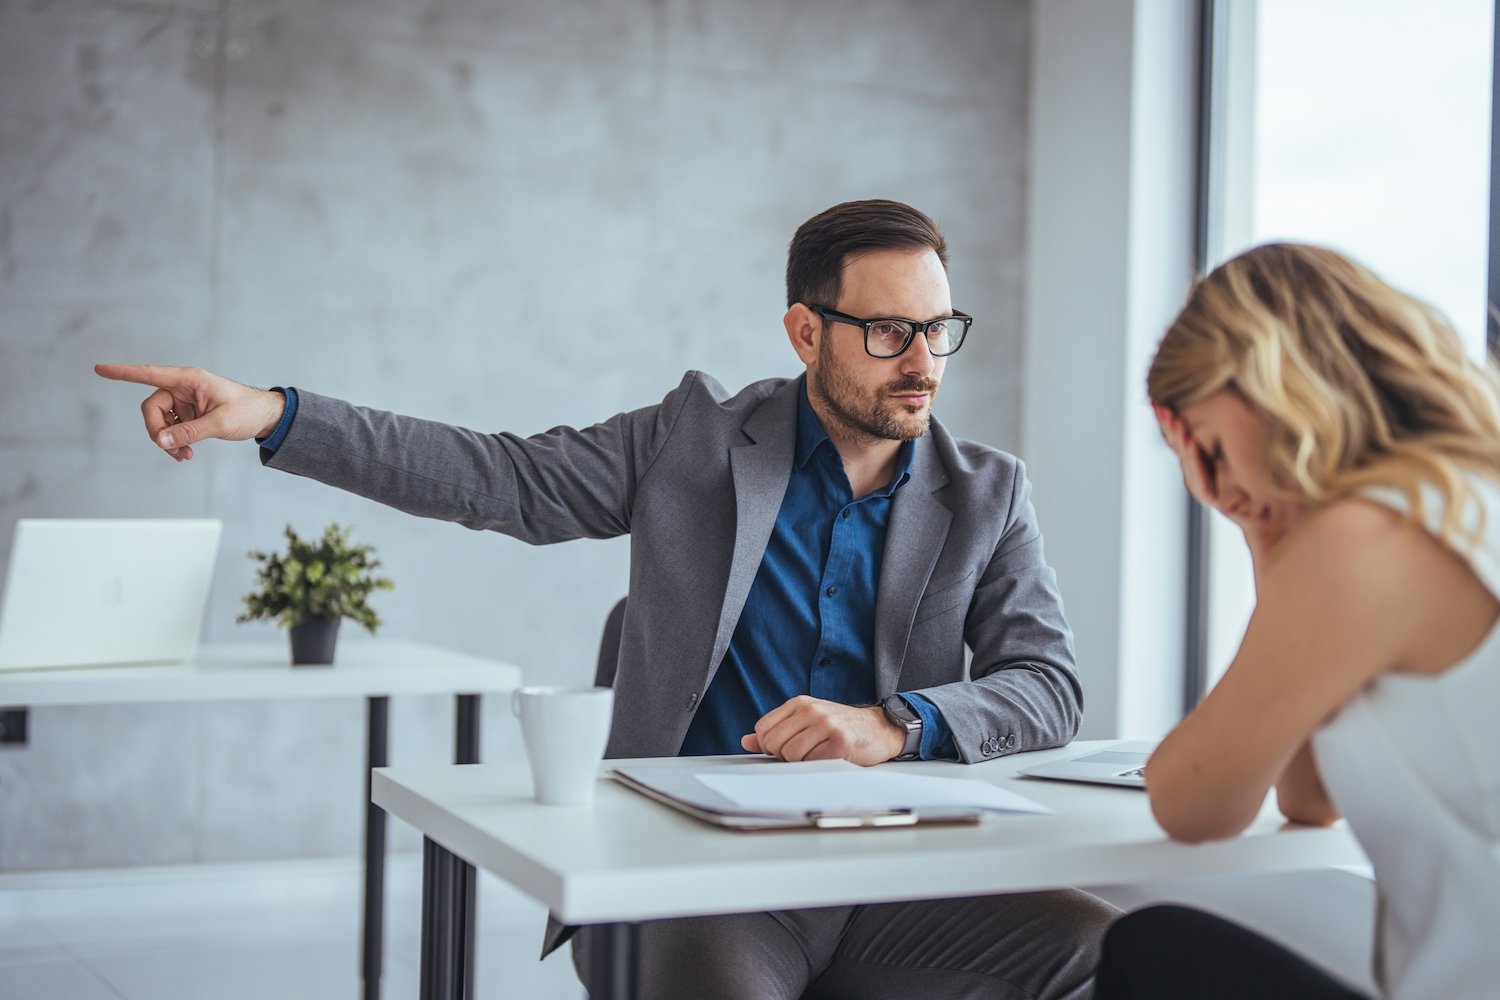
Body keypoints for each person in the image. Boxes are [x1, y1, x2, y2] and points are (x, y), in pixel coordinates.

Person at [97, 199, 1117, 999]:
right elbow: (494, 474)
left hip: (896, 875)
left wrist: (896, 727)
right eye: (891, 332)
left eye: (940, 329)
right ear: (807, 331)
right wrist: (276, 414)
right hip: (706, 881)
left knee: (1106, 953)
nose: (924, 364)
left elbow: (1049, 686)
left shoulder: (988, 491)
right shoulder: (693, 442)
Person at [1095, 243, 1500, 1000]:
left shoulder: (1368, 541)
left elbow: (1193, 805)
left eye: (1209, 450)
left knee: (1157, 946)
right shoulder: (1462, 498)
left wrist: (1268, 534)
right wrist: (1268, 534)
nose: (1216, 488)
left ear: (1266, 380)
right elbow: (1311, 799)